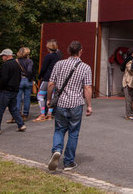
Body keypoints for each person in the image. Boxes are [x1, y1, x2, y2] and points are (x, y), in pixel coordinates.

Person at [46, 41, 92, 172]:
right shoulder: (85, 67)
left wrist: (49, 99)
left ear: (68, 51)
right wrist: (89, 105)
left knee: (59, 130)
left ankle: (56, 150)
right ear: (80, 51)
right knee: (73, 133)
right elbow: (87, 87)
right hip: (76, 103)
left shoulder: (59, 64)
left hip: (61, 103)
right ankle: (68, 162)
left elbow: (51, 83)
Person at [0, 49, 26, 136]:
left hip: (5, 90)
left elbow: (3, 79)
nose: (2, 58)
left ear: (7, 56)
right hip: (14, 90)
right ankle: (21, 124)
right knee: (13, 108)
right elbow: (19, 78)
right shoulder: (17, 64)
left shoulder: (6, 65)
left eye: (2, 56)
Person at [34, 39, 62, 122]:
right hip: (55, 79)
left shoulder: (48, 57)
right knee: (52, 96)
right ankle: (49, 114)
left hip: (47, 79)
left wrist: (39, 76)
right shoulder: (58, 57)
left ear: (48, 47)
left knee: (40, 96)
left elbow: (43, 68)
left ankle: (42, 113)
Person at [14, 47, 34, 121]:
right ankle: (25, 114)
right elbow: (30, 71)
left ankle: (18, 114)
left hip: (19, 80)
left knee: (18, 98)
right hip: (28, 80)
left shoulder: (16, 61)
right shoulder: (30, 61)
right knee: (27, 98)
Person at [121, 48, 133, 120]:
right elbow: (131, 71)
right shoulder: (129, 61)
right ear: (132, 54)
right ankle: (128, 114)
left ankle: (132, 113)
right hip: (128, 82)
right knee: (129, 99)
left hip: (132, 82)